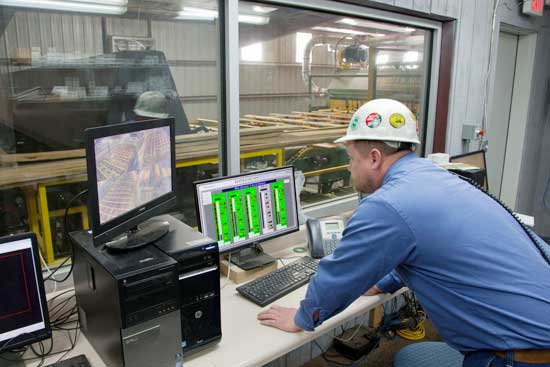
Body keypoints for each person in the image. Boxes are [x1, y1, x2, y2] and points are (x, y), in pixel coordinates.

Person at [257, 99, 550, 367]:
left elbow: (337, 277)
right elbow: (427, 243)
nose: (348, 168)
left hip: (520, 356)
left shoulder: (387, 204)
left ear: (373, 157)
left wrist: (301, 318)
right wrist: (383, 281)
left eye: (350, 159)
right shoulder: (435, 177)